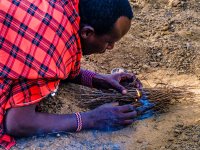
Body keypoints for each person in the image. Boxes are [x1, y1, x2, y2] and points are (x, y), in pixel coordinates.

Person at [0, 0, 142, 149]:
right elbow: (18, 123)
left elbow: (54, 66)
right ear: (87, 33)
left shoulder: (66, 9)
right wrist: (91, 119)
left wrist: (96, 79)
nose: (111, 48)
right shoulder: (51, 40)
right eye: (109, 42)